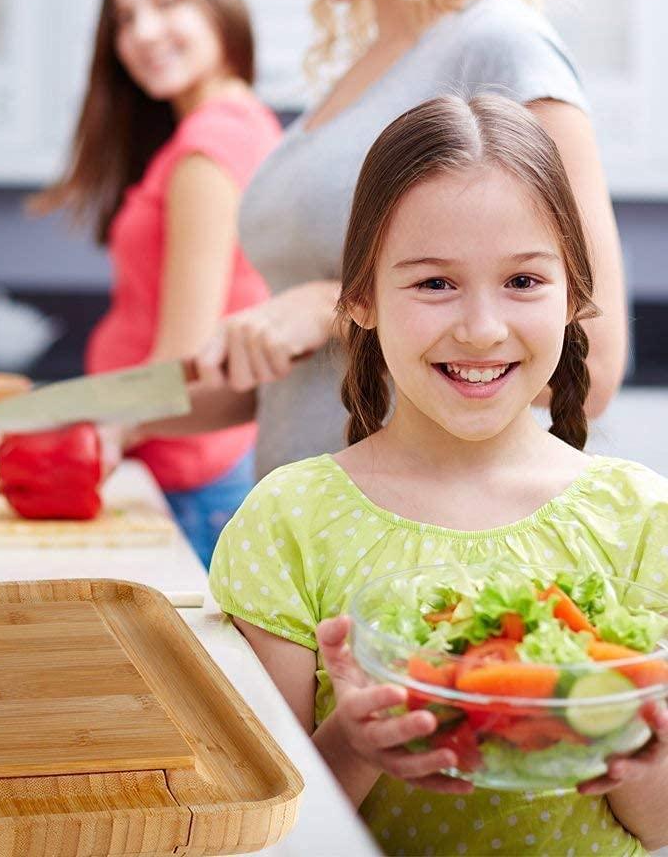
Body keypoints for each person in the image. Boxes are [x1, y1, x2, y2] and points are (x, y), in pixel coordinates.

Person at [208, 95, 668, 855]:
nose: (482, 327)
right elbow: (263, 832)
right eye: (434, 284)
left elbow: (660, 824)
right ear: (358, 299)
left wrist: (629, 756)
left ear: (573, 297)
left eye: (523, 282)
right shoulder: (289, 522)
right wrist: (353, 747)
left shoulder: (643, 518)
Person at [181, 0, 627, 480]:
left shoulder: (503, 45)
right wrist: (120, 415)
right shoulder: (359, 67)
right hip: (304, 532)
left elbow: (590, 365)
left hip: (416, 544)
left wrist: (330, 304)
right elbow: (304, 380)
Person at [34, 0, 282, 567]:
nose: (142, 32)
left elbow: (182, 359)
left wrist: (87, 435)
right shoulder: (233, 125)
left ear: (218, 3)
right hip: (192, 471)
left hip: (189, 481)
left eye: (168, 3)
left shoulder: (209, 149)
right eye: (125, 16)